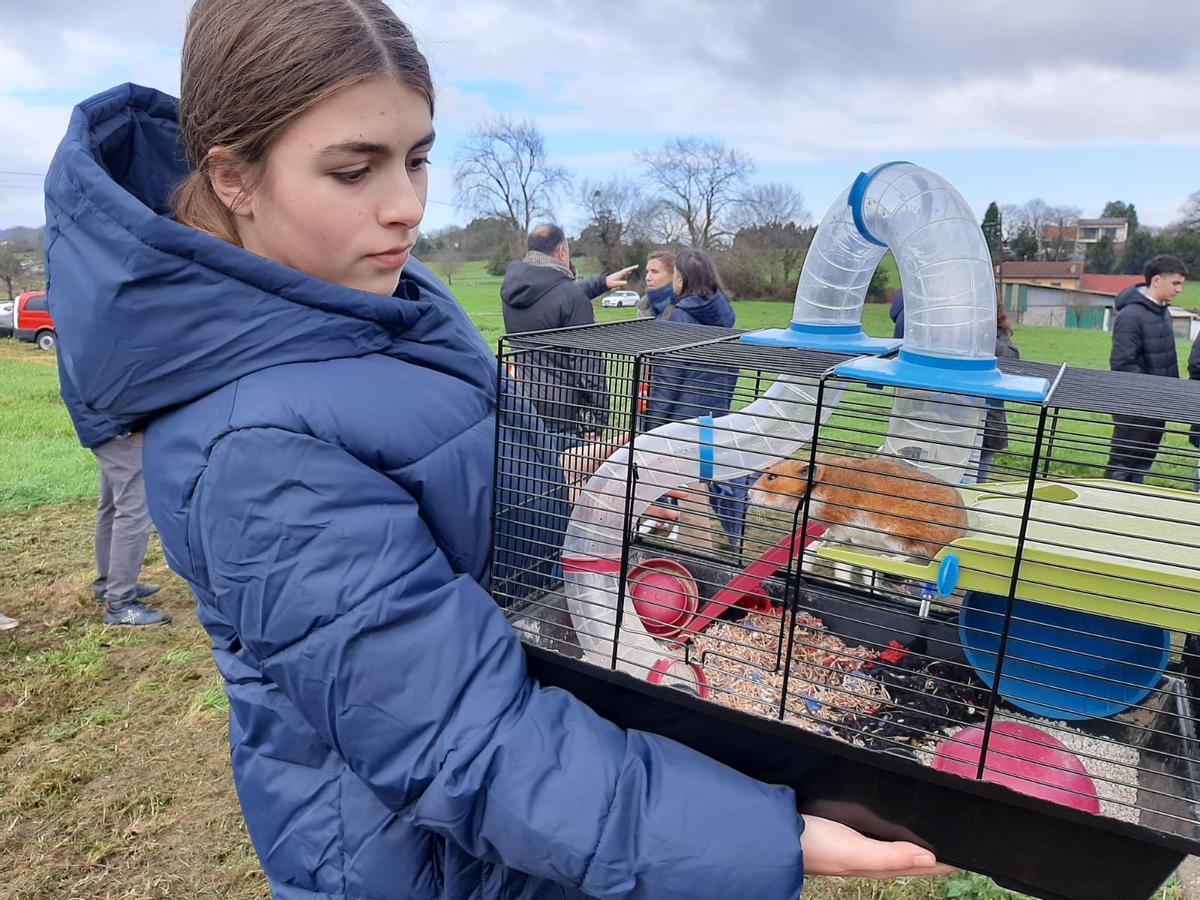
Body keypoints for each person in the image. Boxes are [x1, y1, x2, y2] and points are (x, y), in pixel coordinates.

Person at [44, 1, 949, 895]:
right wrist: (769, 836)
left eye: (418, 158)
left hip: (536, 822)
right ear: (235, 178)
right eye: (354, 170)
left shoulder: (386, 305)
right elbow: (458, 741)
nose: (405, 206)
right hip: (434, 863)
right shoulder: (252, 446)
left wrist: (571, 477)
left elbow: (434, 503)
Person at [500, 224, 635, 448]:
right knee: (566, 480)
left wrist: (600, 283)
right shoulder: (571, 297)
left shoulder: (511, 290)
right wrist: (596, 422)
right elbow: (588, 364)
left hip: (525, 404)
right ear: (562, 251)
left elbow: (553, 298)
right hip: (564, 417)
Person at [56, 369, 168, 626]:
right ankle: (120, 604)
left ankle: (110, 583)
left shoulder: (73, 328)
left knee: (112, 504)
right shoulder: (91, 328)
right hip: (111, 422)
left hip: (100, 418)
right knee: (134, 507)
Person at [1104, 254, 1189, 483]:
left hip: (1157, 409)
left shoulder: (1163, 313)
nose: (1180, 289)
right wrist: (1152, 393)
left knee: (1142, 466)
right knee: (1122, 466)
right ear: (1157, 280)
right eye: (1176, 283)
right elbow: (1122, 363)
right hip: (1134, 408)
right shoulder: (1131, 315)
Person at [972, 298, 1020, 484]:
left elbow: (1013, 358)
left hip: (988, 424)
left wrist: (983, 339)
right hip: (952, 418)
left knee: (977, 482)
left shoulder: (999, 337)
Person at [637, 249, 675, 318]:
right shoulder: (644, 305)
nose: (647, 278)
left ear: (673, 275)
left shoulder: (682, 308)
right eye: (647, 272)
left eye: (655, 272)